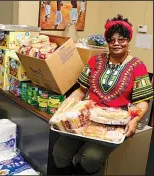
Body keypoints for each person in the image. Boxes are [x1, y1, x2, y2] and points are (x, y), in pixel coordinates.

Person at [52, 14, 153, 175]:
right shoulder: (95, 61)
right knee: (59, 153)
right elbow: (81, 90)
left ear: (129, 40)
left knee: (91, 157)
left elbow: (142, 101)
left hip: (115, 123)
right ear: (107, 41)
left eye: (122, 39)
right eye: (111, 40)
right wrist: (64, 108)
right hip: (85, 117)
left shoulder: (138, 66)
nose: (116, 43)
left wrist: (135, 120)